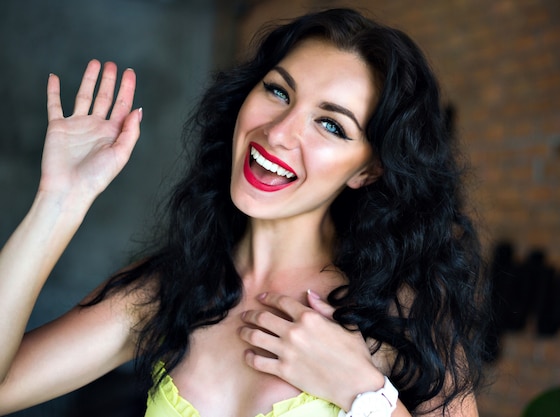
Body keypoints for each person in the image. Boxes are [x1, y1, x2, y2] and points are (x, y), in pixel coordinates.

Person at [0, 8, 489, 417]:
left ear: (369, 170)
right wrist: (59, 200)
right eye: (278, 91)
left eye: (330, 125)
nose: (278, 132)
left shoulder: (400, 310)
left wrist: (365, 393)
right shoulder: (169, 290)